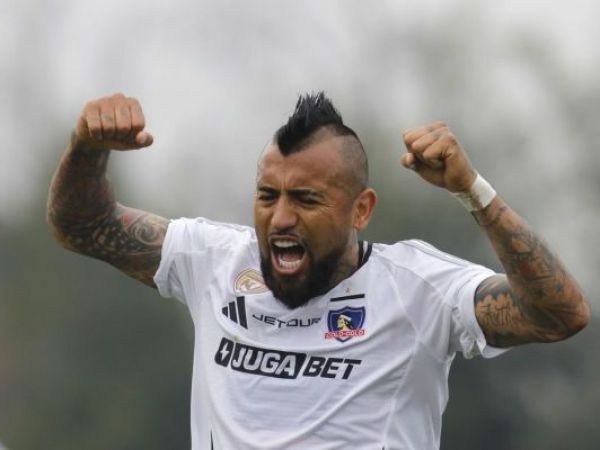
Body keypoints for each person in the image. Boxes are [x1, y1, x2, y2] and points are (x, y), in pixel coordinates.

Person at [47, 92, 590, 449]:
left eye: (306, 199)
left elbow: (559, 314)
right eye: (267, 195)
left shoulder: (418, 288)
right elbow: (81, 224)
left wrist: (474, 192)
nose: (281, 218)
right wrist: (86, 148)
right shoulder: (214, 261)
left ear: (361, 210)